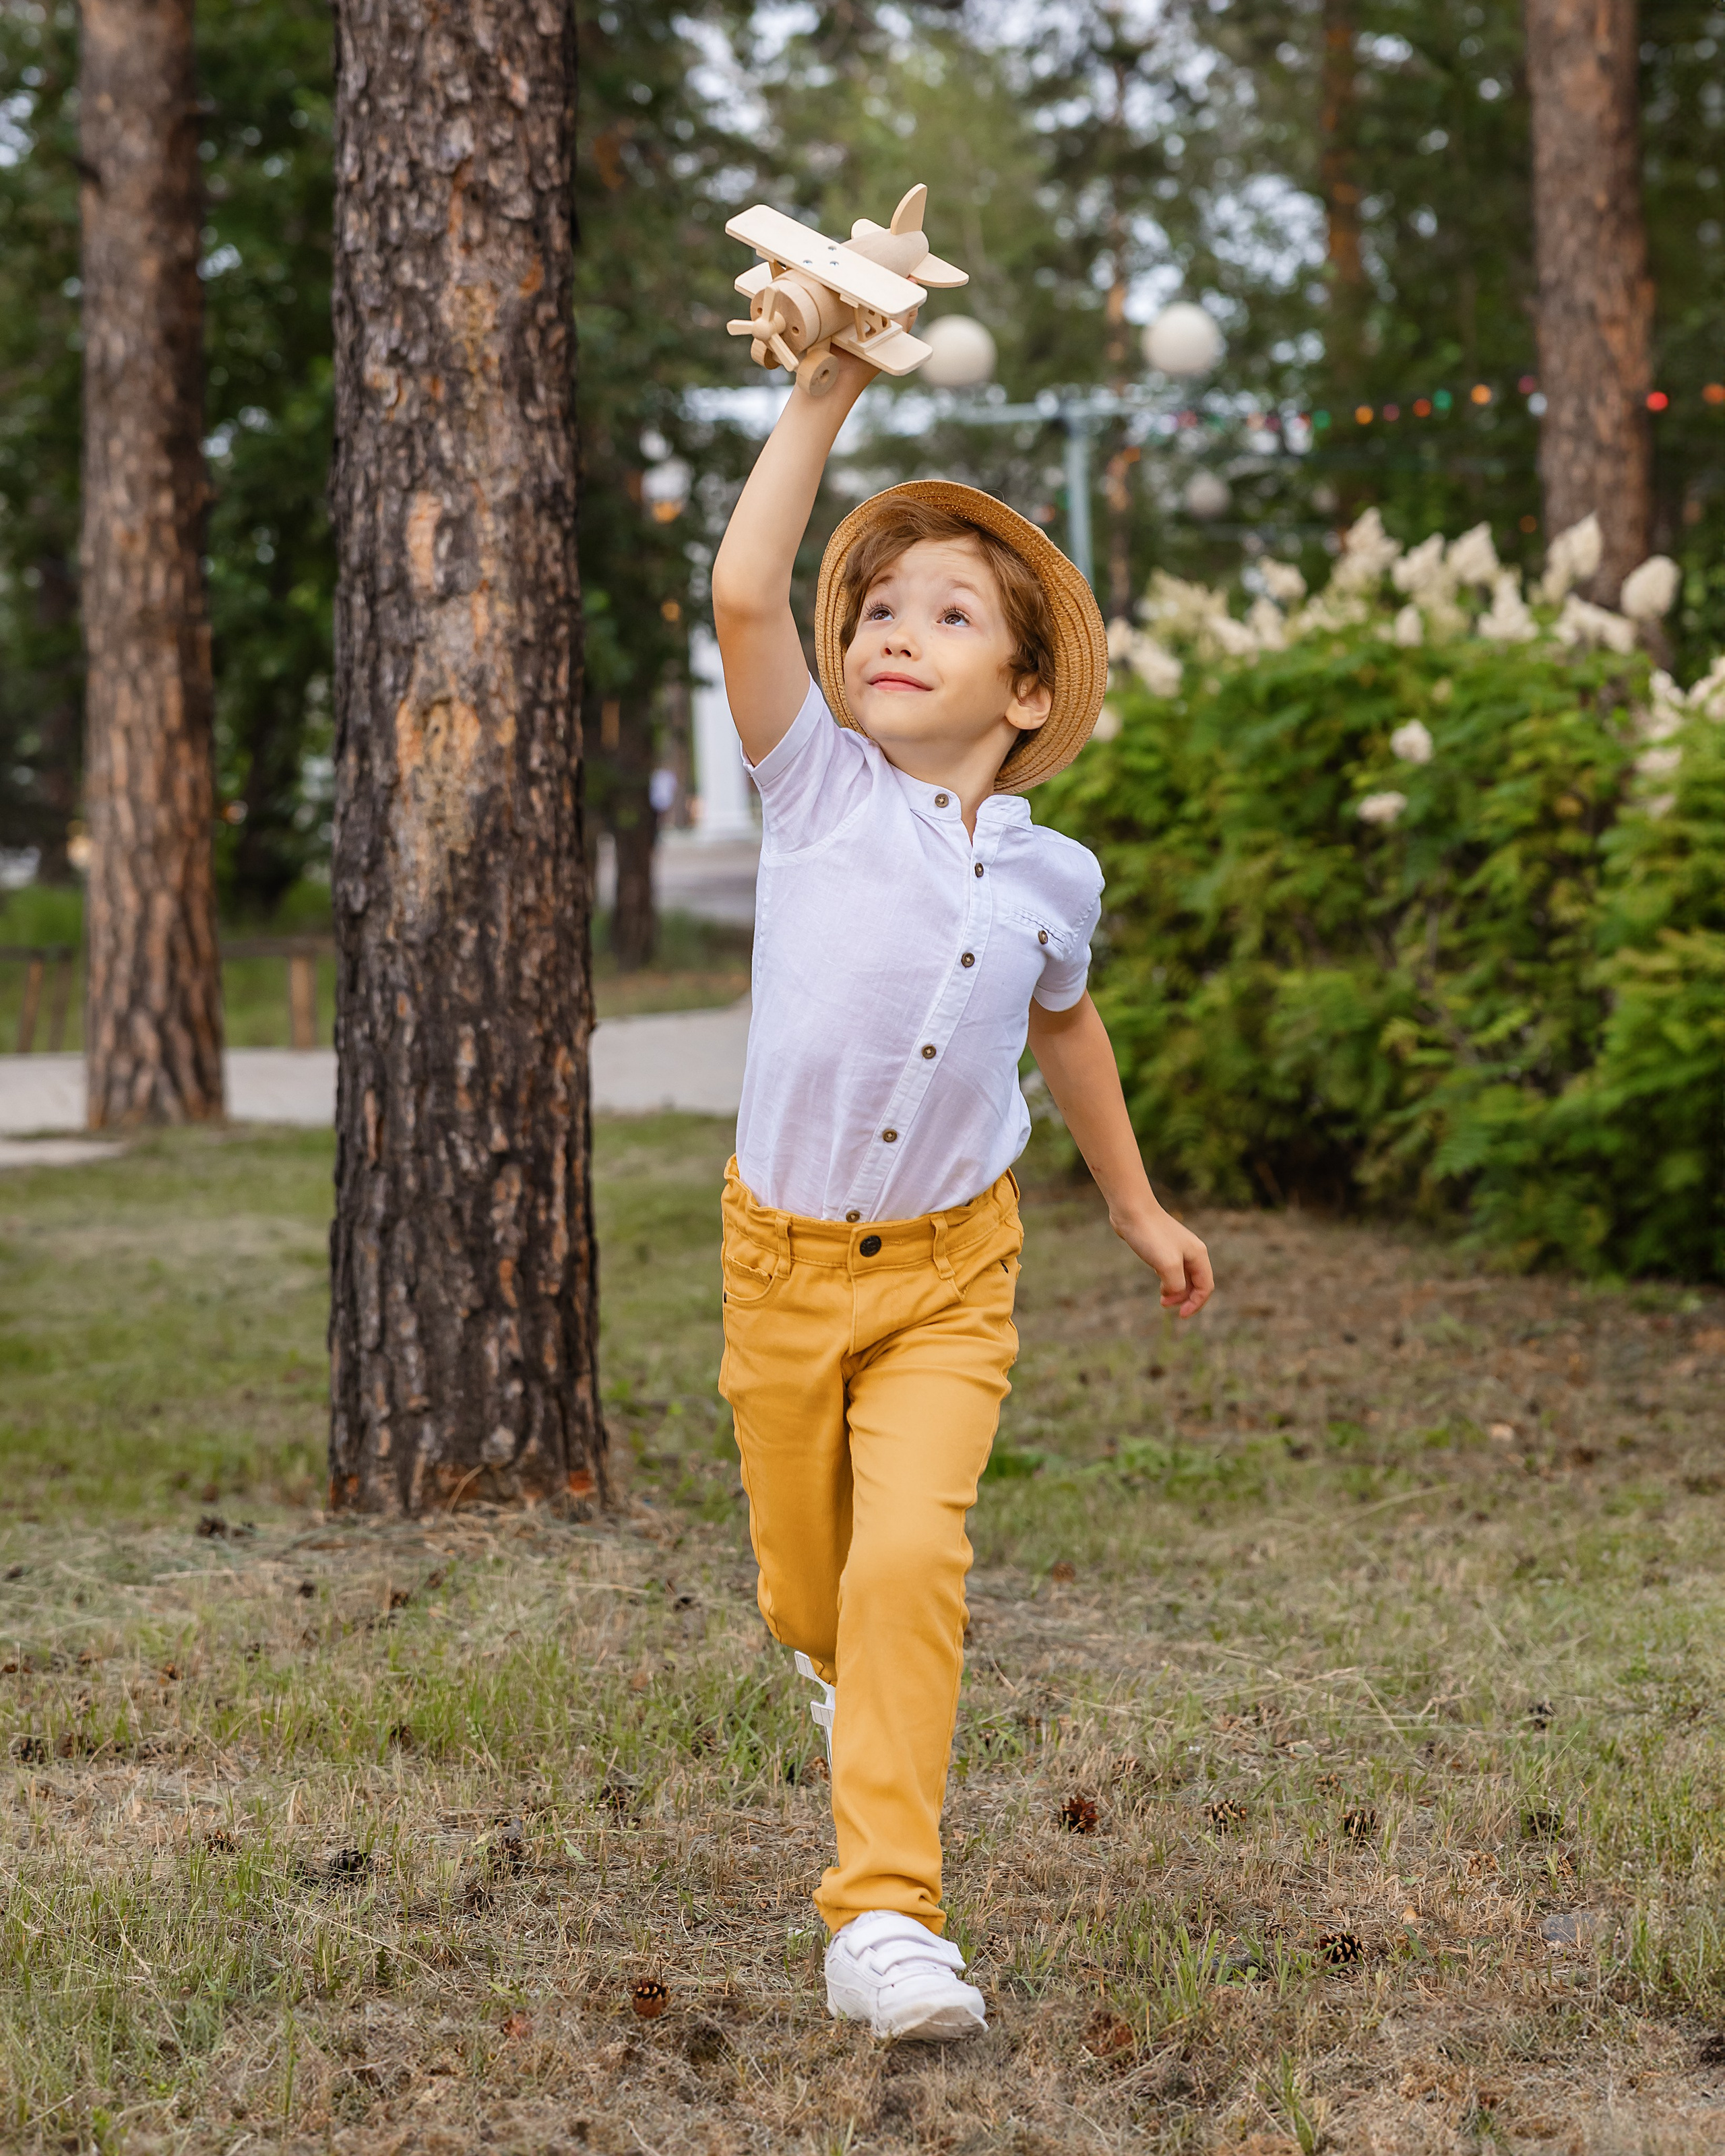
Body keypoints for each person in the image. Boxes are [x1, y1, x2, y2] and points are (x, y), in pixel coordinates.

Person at [709, 349, 1215, 2043]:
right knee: (811, 1586)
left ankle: (884, 1922)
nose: (888, 631)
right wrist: (821, 399)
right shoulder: (816, 792)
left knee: (910, 1558)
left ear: (1019, 694)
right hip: (780, 1268)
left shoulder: (1051, 874)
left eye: (943, 614)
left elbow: (1065, 1034)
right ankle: (825, 1652)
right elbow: (739, 590)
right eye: (876, 610)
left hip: (950, 1275)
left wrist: (1137, 1211)